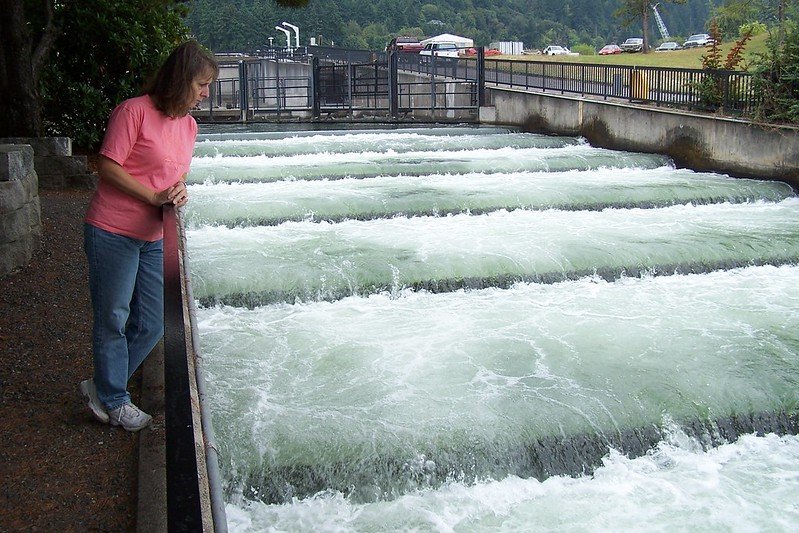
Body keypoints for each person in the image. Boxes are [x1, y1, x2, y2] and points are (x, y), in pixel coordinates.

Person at [79, 41, 218, 432]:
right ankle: (115, 399)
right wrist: (154, 196)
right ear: (180, 79)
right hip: (113, 229)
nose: (206, 94)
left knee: (155, 322)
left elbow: (176, 172)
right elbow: (108, 166)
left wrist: (177, 191)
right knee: (113, 317)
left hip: (154, 234)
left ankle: (103, 387)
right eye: (201, 84)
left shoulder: (189, 126)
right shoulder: (133, 111)